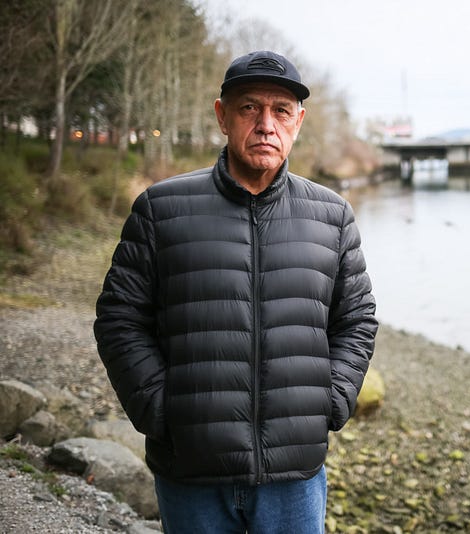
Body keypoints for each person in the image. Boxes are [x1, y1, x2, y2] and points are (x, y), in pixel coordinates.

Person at [94, 50, 378, 533]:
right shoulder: (160, 210)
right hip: (191, 470)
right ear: (222, 116)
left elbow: (357, 320)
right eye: (250, 107)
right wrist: (161, 410)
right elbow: (119, 320)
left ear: (299, 122)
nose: (266, 124)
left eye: (281, 111)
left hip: (294, 473)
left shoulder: (332, 216)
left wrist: (332, 400)